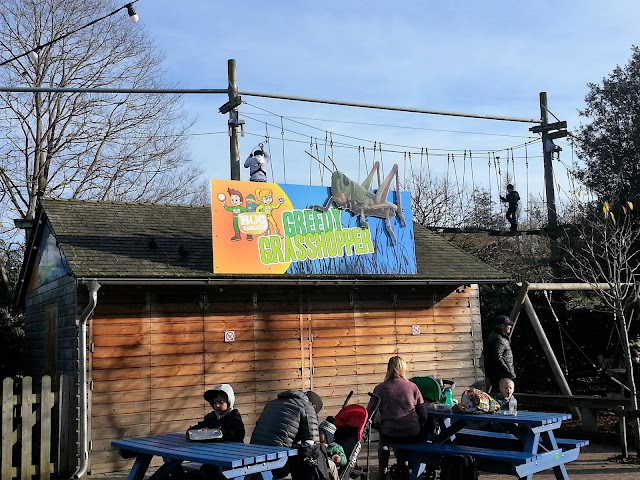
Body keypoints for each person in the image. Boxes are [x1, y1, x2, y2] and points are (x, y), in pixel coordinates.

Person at [367, 356, 428, 480]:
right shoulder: (412, 387)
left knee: (383, 441)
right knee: (401, 436)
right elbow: (423, 414)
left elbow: (369, 412)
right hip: (411, 433)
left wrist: (375, 424)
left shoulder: (380, 388)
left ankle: (382, 471)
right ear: (403, 369)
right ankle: (403, 467)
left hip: (389, 433)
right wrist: (419, 425)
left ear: (388, 369)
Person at [250, 390, 323, 479]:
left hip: (254, 454)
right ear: (314, 406)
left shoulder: (272, 403)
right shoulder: (307, 407)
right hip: (276, 459)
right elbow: (313, 447)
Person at [186, 384, 245, 479]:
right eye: (215, 402)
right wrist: (195, 432)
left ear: (229, 402)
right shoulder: (211, 417)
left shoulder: (234, 418)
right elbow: (196, 428)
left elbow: (239, 434)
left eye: (221, 402)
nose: (217, 405)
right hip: (211, 457)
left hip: (231, 458)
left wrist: (217, 433)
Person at [485, 315, 516, 392]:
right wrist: (508, 371)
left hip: (500, 373)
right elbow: (497, 357)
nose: (510, 327)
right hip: (501, 375)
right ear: (502, 326)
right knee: (503, 394)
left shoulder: (499, 336)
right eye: (508, 325)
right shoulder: (498, 339)